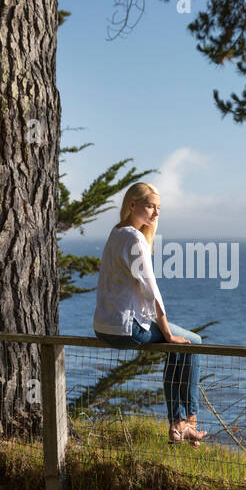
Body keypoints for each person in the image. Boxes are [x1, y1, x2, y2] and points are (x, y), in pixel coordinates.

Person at [93, 182, 206, 446]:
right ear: (132, 205)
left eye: (158, 208)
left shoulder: (116, 232)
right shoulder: (134, 238)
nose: (156, 213)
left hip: (103, 326)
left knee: (177, 348)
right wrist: (167, 333)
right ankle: (187, 423)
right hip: (126, 329)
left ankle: (180, 424)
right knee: (193, 342)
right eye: (150, 206)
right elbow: (152, 291)